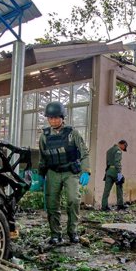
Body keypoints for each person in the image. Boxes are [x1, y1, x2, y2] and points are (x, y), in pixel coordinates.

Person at [38, 101, 90, 244]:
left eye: (56, 117)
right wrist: (40, 174)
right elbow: (43, 157)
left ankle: (72, 232)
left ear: (62, 117)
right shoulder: (44, 136)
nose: (53, 121)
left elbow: (84, 153)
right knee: (52, 204)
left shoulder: (72, 134)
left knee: (73, 200)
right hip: (53, 173)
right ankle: (55, 234)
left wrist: (86, 171)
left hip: (70, 172)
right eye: (50, 118)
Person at [102, 140, 128, 211]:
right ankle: (120, 205)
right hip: (115, 171)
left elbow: (107, 162)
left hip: (108, 171)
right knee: (119, 187)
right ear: (122, 144)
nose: (123, 149)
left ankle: (104, 206)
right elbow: (117, 162)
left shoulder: (109, 150)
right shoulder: (118, 150)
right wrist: (119, 172)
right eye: (124, 147)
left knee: (106, 190)